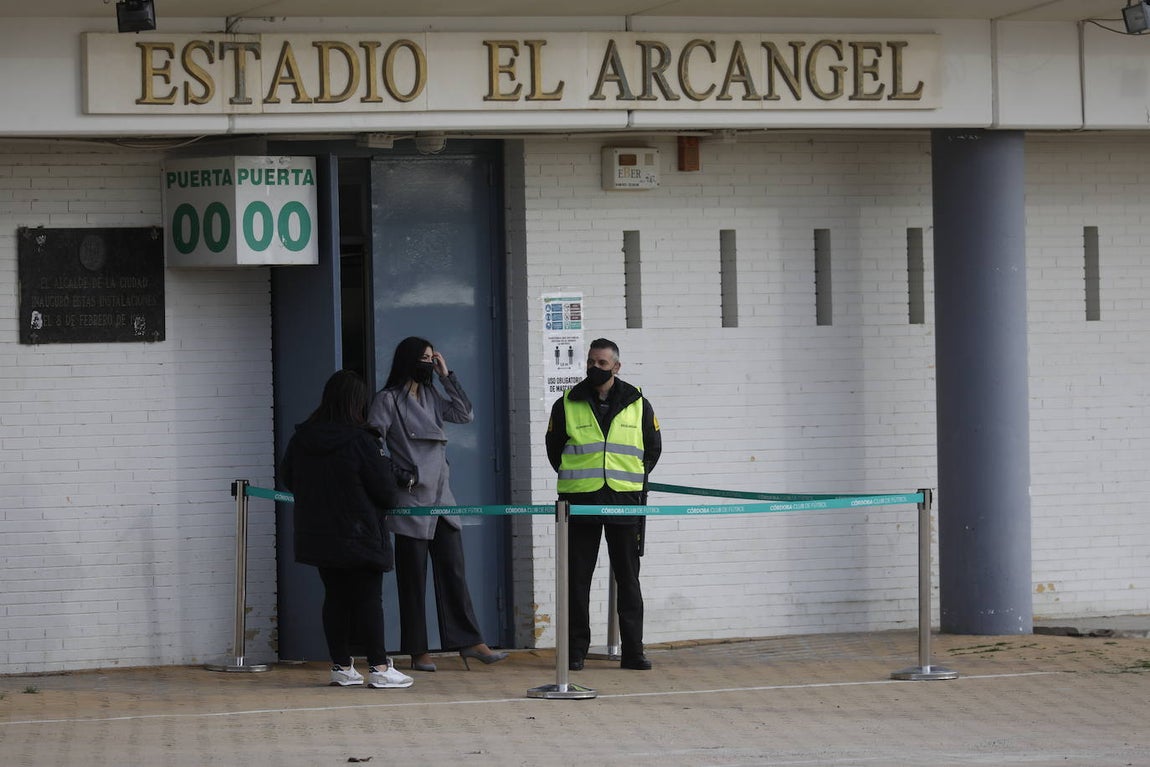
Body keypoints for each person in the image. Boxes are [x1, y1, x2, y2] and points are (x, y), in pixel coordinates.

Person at [368, 337, 508, 672]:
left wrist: (448, 377)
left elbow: (465, 414)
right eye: (425, 359)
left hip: (442, 497)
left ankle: (470, 642)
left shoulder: (432, 394)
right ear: (408, 360)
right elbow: (371, 442)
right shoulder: (387, 399)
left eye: (433, 359)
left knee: (454, 572)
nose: (429, 364)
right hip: (412, 496)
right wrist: (397, 473)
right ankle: (418, 651)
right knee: (412, 579)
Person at [280, 369, 415, 689]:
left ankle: (341, 666)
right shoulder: (362, 441)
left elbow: (289, 477)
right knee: (369, 600)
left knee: (336, 598)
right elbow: (385, 491)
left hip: (318, 533)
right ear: (357, 402)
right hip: (360, 533)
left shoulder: (303, 438)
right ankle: (380, 668)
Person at [546, 338, 662, 671]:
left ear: (616, 367)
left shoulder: (638, 402)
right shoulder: (567, 402)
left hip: (624, 501)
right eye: (591, 362)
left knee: (628, 580)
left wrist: (629, 480)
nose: (595, 368)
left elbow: (652, 449)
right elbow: (555, 450)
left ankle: (633, 651)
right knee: (577, 580)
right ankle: (575, 651)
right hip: (580, 502)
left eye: (602, 364)